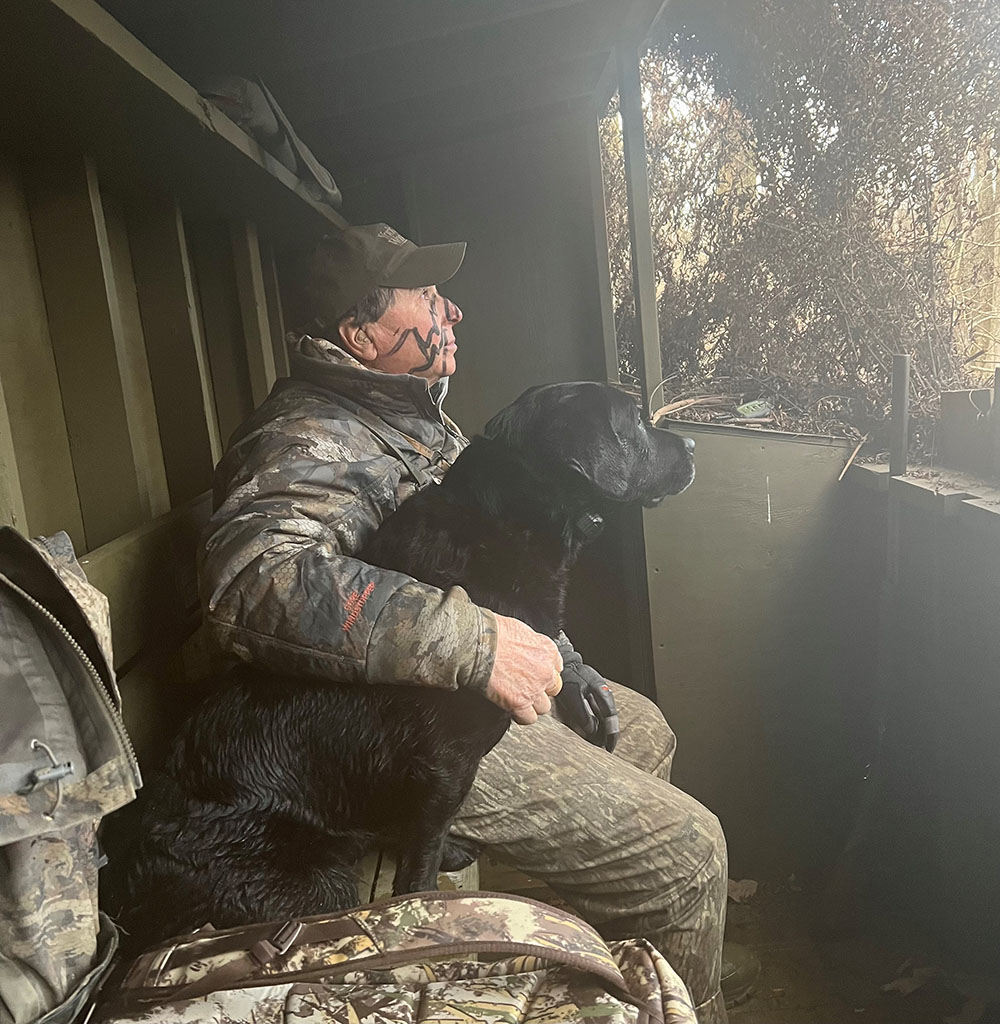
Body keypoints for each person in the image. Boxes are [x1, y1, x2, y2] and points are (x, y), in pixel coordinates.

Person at [199, 223, 753, 1024]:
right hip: (403, 722)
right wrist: (478, 643)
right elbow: (254, 582)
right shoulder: (306, 434)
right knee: (690, 854)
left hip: (452, 696)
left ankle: (610, 975)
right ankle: (679, 991)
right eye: (425, 296)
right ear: (359, 334)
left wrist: (560, 653)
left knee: (643, 729)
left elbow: (488, 559)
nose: (449, 309)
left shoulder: (416, 421)